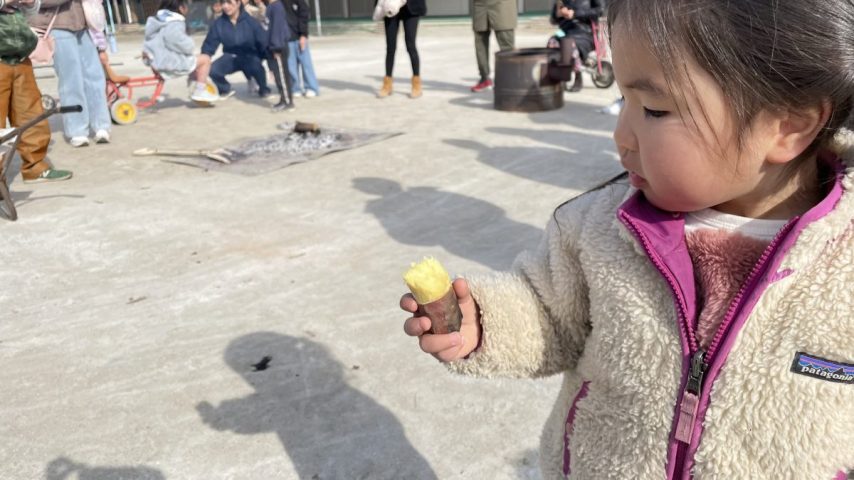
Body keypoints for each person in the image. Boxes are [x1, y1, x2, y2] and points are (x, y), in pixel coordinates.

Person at [401, 0, 854, 478]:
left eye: (654, 109)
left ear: (788, 124)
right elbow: (549, 315)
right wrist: (485, 325)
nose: (621, 136)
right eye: (624, 102)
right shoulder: (600, 228)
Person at [0, 0, 71, 183]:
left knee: (31, 114)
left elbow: (30, 14)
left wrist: (31, 3)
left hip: (20, 56)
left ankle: (35, 167)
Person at [30, 0, 111, 147]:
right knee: (71, 80)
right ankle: (77, 130)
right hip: (58, 25)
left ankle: (101, 125)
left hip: (85, 25)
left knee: (95, 77)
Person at [143, 0, 218, 103]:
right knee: (205, 59)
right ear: (181, 8)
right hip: (168, 64)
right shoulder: (174, 23)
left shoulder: (157, 22)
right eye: (187, 6)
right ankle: (200, 91)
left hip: (156, 62)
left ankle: (193, 80)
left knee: (193, 58)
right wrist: (190, 45)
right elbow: (176, 41)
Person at [201, 0, 270, 99]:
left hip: (250, 55)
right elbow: (210, 42)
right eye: (223, 3)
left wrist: (267, 56)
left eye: (229, 3)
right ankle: (224, 89)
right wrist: (205, 56)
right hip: (230, 56)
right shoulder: (219, 23)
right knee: (212, 70)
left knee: (256, 66)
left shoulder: (250, 21)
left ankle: (263, 88)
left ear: (238, 3)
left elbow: (262, 40)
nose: (225, 6)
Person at [546, 0, 602, 92]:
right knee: (552, 42)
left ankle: (578, 76)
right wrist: (558, 13)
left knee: (569, 44)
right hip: (565, 31)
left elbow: (600, 10)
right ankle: (558, 77)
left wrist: (575, 14)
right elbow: (553, 20)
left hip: (584, 32)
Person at [375, 0, 425, 99]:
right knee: (390, 47)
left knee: (411, 46)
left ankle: (416, 83)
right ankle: (387, 83)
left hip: (411, 7)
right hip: (390, 5)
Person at [469, 0, 516, 92]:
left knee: (506, 44)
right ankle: (484, 78)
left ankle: (510, 81)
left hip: (502, 3)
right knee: (480, 40)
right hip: (480, 3)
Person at [282, 0, 318, 98]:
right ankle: (295, 88)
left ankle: (311, 87)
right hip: (287, 37)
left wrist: (303, 34)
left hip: (299, 35)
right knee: (290, 66)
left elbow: (304, 12)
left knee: (306, 63)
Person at [265, 0, 294, 111]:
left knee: (282, 76)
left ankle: (288, 102)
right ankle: (283, 99)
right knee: (278, 76)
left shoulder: (277, 7)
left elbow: (277, 29)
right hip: (273, 47)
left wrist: (276, 47)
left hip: (278, 48)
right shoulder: (271, 6)